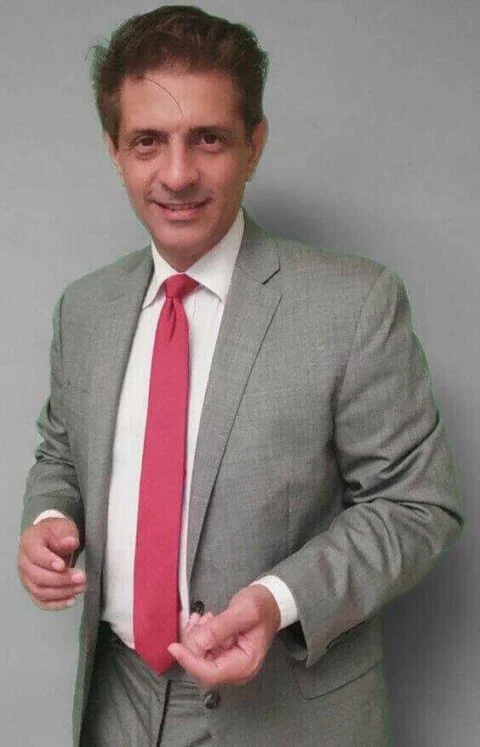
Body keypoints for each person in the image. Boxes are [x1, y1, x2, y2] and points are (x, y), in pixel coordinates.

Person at [17, 5, 462, 746]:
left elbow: (417, 505)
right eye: (148, 141)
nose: (178, 174)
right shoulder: (84, 309)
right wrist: (47, 521)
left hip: (285, 716)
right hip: (116, 702)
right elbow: (61, 452)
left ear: (254, 144)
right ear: (115, 151)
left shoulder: (354, 304)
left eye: (209, 138)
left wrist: (277, 599)